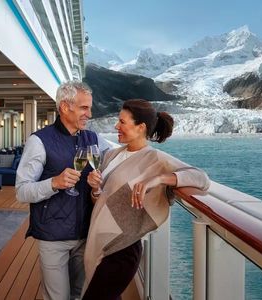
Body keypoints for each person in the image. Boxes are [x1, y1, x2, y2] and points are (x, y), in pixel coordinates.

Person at [82, 99, 210, 300]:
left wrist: (159, 178)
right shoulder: (111, 155)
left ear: (141, 127)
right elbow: (100, 202)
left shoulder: (156, 159)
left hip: (123, 248)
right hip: (99, 243)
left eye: (122, 122)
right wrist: (95, 189)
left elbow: (201, 178)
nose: (116, 126)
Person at [16, 81, 105, 300]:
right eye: (84, 108)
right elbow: (21, 191)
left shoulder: (92, 138)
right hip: (53, 236)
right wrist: (53, 183)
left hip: (85, 234)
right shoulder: (39, 141)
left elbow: (122, 156)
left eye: (89, 108)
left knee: (80, 294)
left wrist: (96, 188)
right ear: (65, 107)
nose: (89, 114)